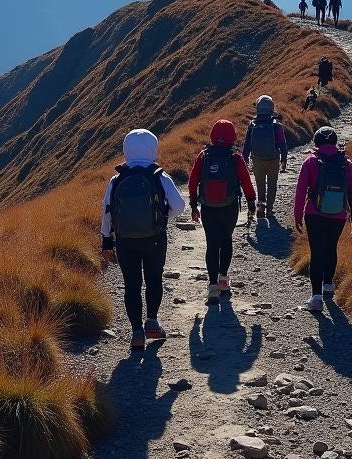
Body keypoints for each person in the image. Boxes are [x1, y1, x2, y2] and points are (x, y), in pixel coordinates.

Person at [101, 129, 186, 350]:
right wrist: (161, 215)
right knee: (153, 279)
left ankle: (136, 332)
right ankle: (152, 323)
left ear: (126, 149)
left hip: (125, 239)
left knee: (131, 285)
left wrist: (106, 242)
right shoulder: (159, 176)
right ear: (153, 148)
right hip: (154, 238)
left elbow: (107, 211)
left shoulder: (117, 178)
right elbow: (179, 207)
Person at [188, 119, 256, 304]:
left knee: (212, 244)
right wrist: (251, 201)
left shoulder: (203, 156)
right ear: (232, 136)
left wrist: (194, 205)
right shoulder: (235, 158)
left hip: (208, 207)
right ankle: (223, 280)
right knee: (226, 240)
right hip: (229, 206)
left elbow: (193, 181)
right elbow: (246, 182)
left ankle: (212, 287)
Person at [294, 126, 352, 312]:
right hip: (338, 213)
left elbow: (300, 192)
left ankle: (316, 298)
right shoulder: (346, 163)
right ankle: (328, 285)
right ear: (335, 142)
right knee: (331, 247)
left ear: (316, 142)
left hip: (314, 213)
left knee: (317, 252)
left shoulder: (310, 162)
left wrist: (298, 215)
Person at [242, 95, 288, 219]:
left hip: (257, 159)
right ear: (271, 108)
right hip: (273, 159)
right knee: (272, 185)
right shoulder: (276, 125)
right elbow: (282, 143)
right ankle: (269, 211)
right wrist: (284, 159)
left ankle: (261, 210)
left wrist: (244, 159)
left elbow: (247, 144)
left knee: (260, 185)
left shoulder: (253, 124)